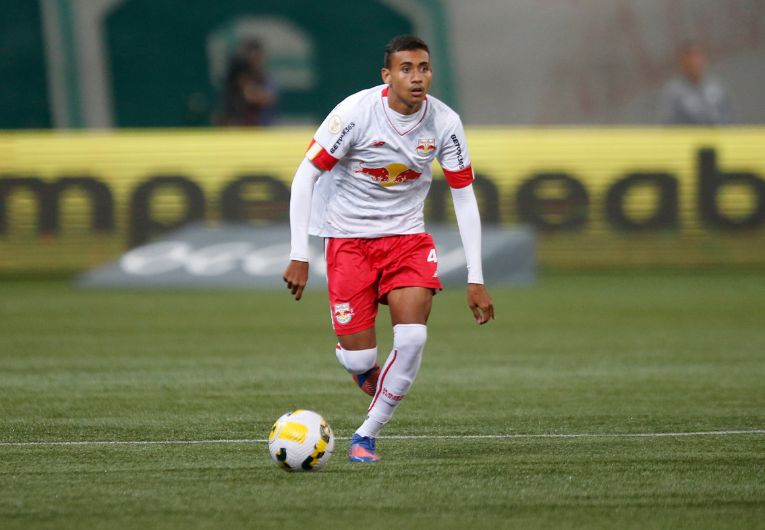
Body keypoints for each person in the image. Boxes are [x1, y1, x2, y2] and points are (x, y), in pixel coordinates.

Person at [282, 35, 494, 463]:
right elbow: (305, 176)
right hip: (347, 242)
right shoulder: (355, 113)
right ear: (387, 75)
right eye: (406, 69)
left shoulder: (445, 123)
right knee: (361, 357)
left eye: (424, 68)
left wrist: (476, 278)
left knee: (412, 338)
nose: (417, 78)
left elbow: (464, 196)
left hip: (407, 241)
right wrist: (300, 253)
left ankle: (366, 435)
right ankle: (363, 368)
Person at [660, 41, 732, 125]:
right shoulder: (674, 92)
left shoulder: (716, 88)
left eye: (697, 57)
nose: (694, 62)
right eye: (690, 58)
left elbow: (727, 117)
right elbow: (669, 122)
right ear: (683, 63)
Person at [215, 39, 278, 126]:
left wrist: (252, 92)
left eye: (257, 59)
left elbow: (268, 99)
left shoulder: (266, 80)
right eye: (250, 61)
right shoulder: (234, 81)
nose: (254, 63)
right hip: (239, 130)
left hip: (263, 129)